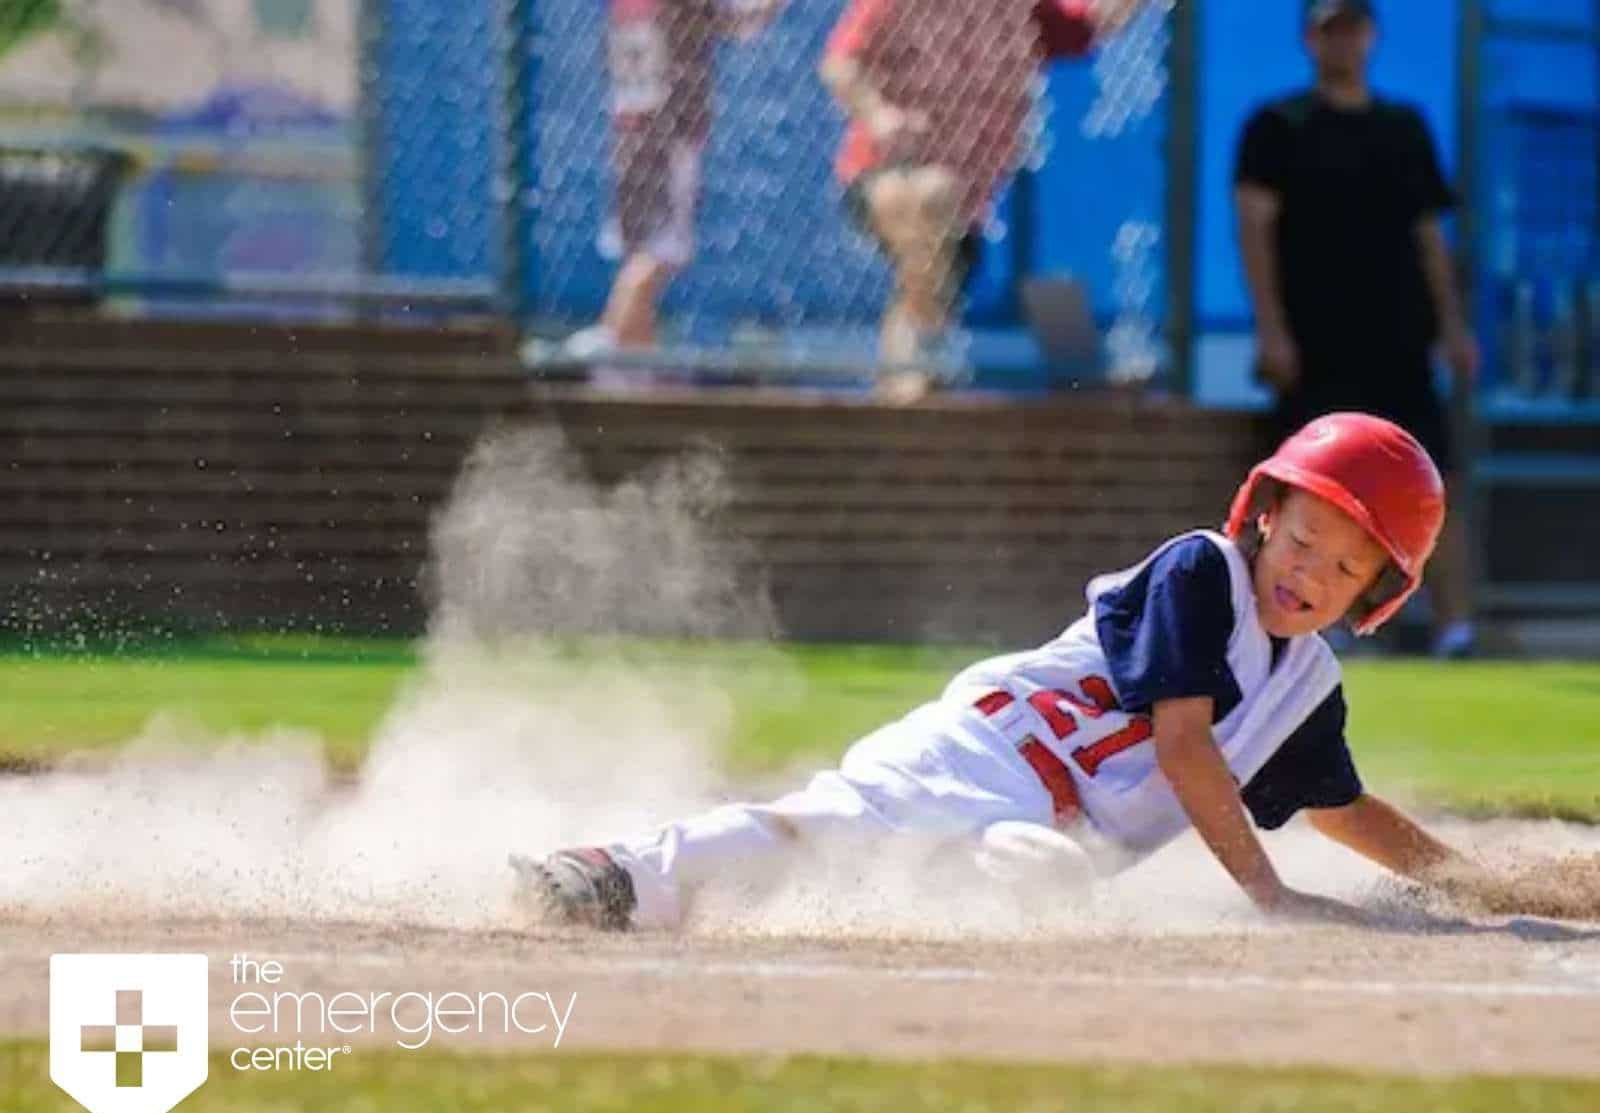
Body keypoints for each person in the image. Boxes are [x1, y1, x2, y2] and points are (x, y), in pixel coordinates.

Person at [515, 414, 1540, 933]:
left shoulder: (1302, 686)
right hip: (986, 749)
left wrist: (1483, 886)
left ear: (1377, 591)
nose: (1309, 572)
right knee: (849, 826)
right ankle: (615, 872)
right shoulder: (1201, 571)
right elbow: (1185, 750)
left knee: (1039, 890)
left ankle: (755, 901)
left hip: (1050, 832)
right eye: (1303, 538)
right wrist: (1268, 895)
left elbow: (1339, 807)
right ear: (1263, 515)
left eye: (1346, 563)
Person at [1234, 0, 1481, 657]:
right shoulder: (1278, 126)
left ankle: (1455, 627)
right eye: (1329, 29)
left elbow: (1431, 237)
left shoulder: (1404, 128)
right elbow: (1253, 228)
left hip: (1399, 339)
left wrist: (1453, 327)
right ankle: (1295, 626)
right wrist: (1271, 330)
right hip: (1317, 343)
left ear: (1370, 37)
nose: (1342, 42)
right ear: (1310, 38)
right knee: (1309, 494)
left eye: (1353, 29)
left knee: (1437, 478)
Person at [820, 0, 1145, 404]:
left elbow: (1093, 23)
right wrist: (879, 115)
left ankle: (1078, 375)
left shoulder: (1021, 10)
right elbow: (840, 62)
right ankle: (916, 367)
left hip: (977, 200)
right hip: (890, 173)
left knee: (1037, 253)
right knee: (931, 200)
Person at [566, 0, 785, 377]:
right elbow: (742, 21)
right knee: (661, 252)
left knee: (642, 250)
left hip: (631, 133)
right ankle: (609, 343)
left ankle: (634, 369)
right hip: (668, 135)